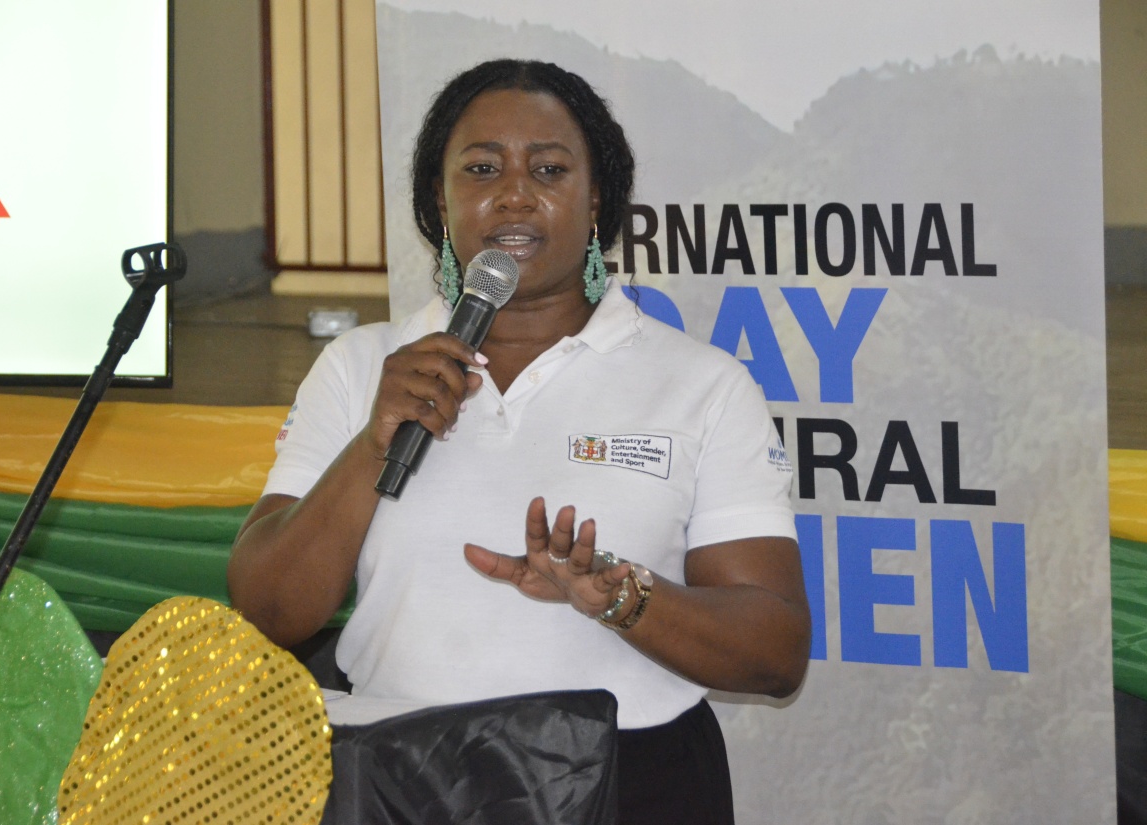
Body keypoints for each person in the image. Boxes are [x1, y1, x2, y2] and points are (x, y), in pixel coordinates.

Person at [228, 58, 810, 824]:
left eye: (548, 168)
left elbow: (774, 650)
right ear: (439, 200)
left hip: (626, 782)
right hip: (396, 781)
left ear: (596, 196)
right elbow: (267, 607)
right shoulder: (361, 367)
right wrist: (374, 442)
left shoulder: (702, 384)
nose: (512, 192)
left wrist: (622, 596)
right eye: (480, 168)